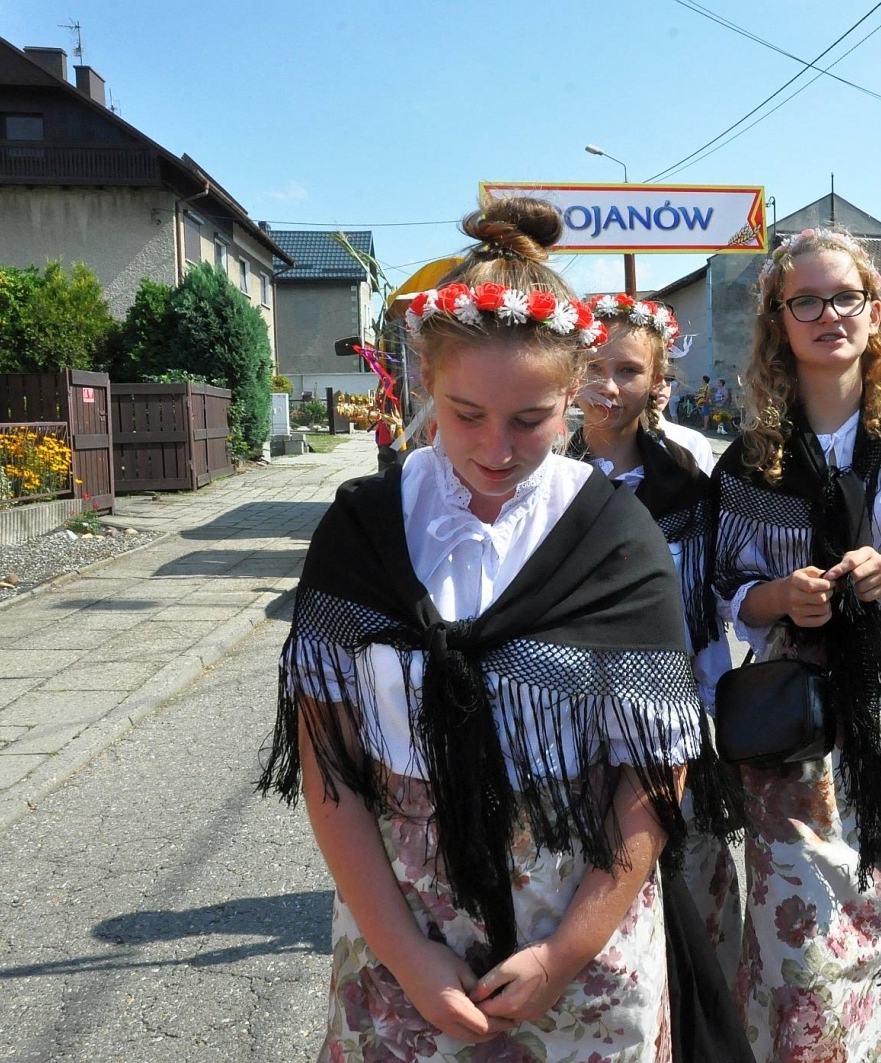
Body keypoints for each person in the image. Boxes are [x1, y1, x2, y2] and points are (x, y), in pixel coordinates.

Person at [260, 197, 731, 1061]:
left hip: (581, 928)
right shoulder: (364, 529)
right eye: (465, 412)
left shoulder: (615, 540)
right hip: (400, 921)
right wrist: (406, 956)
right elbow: (331, 769)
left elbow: (654, 775)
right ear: (425, 385)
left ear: (576, 393)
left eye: (531, 419)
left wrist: (564, 952)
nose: (495, 448)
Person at [713, 226, 881, 1062]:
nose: (829, 314)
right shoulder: (751, 457)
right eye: (807, 301)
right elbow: (731, 593)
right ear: (778, 320)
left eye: (846, 297)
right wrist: (783, 595)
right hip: (792, 707)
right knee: (799, 932)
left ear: (874, 313)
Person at [568, 293, 744, 981]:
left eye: (628, 370)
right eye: (593, 366)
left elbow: (701, 620)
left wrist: (706, 725)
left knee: (691, 903)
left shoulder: (683, 487)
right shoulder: (533, 470)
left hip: (663, 729)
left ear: (656, 380)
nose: (608, 386)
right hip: (563, 728)